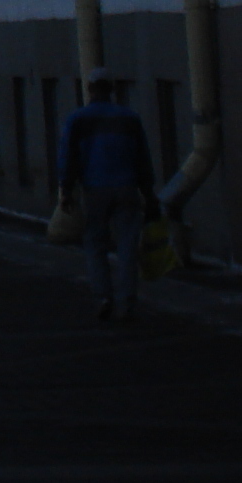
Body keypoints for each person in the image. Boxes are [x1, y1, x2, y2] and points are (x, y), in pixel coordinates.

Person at [59, 69, 158, 322]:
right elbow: (143, 158)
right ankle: (127, 303)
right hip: (127, 187)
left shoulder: (78, 119)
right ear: (112, 89)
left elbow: (68, 158)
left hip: (94, 188)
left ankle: (103, 296)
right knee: (127, 247)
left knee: (94, 244)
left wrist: (66, 190)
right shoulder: (130, 118)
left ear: (90, 89)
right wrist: (149, 192)